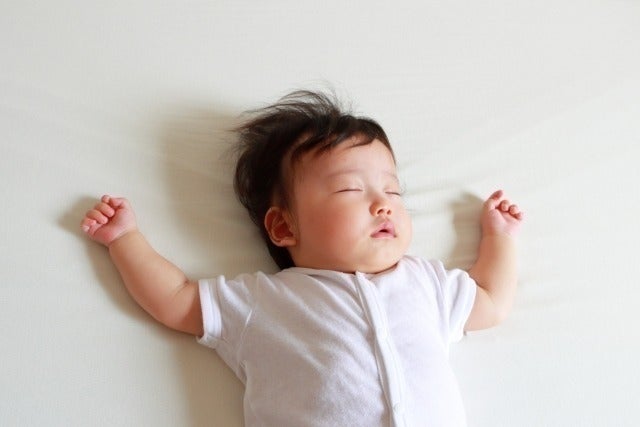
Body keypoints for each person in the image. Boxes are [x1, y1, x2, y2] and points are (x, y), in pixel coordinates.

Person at [81, 90, 523, 427]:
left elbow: (491, 299)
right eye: (351, 189)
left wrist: (498, 237)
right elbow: (176, 299)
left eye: (393, 190)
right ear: (283, 227)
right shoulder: (263, 301)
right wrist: (125, 239)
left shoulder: (426, 283)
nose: (383, 205)